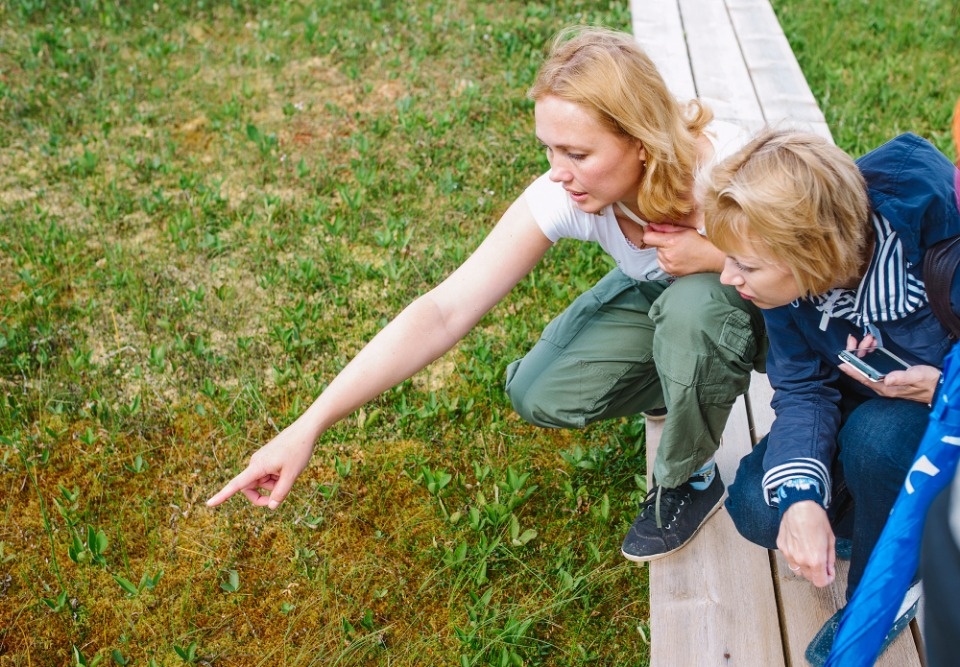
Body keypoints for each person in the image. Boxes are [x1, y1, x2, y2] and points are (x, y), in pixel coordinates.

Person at [207, 26, 766, 563]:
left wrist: (715, 256)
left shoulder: (728, 169)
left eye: (577, 154)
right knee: (540, 391)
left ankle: (687, 477)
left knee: (695, 309)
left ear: (640, 141)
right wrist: (308, 426)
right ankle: (676, 384)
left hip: (770, 308)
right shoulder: (566, 194)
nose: (558, 173)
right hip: (662, 290)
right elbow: (444, 310)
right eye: (549, 149)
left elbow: (825, 265)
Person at [701, 128, 960, 665]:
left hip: (943, 425)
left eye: (744, 265)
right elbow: (801, 388)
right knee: (757, 507)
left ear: (812, 254)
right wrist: (800, 497)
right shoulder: (787, 284)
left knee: (876, 439)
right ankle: (874, 514)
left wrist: (940, 388)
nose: (728, 277)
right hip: (871, 407)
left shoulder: (943, 250)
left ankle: (888, 588)